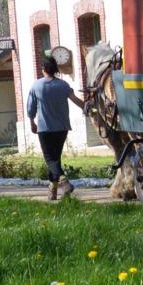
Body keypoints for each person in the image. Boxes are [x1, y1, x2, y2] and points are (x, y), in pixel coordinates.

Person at [26, 55, 87, 201]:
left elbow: (30, 108)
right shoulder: (63, 85)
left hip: (45, 129)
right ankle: (52, 191)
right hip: (62, 128)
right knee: (55, 159)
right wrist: (86, 106)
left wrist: (32, 122)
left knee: (50, 159)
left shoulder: (37, 85)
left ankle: (65, 183)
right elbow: (75, 100)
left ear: (43, 69)